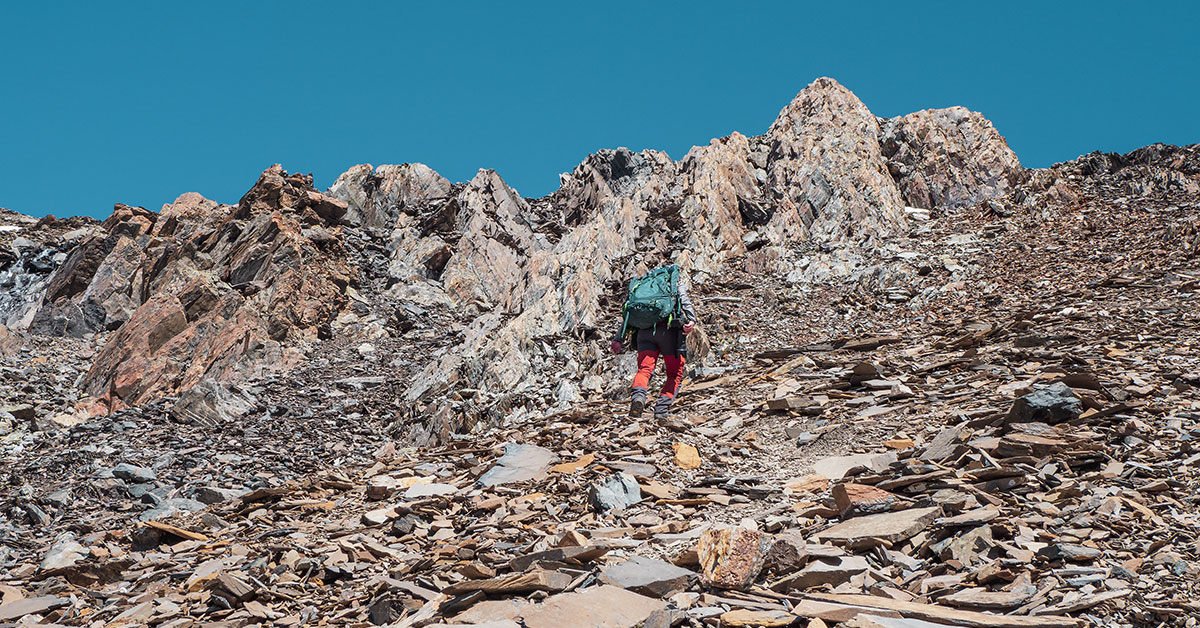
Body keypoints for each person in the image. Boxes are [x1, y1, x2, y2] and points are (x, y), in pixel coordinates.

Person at [609, 266, 697, 419]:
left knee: (644, 370)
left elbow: (628, 314)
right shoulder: (672, 282)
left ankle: (638, 399)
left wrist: (618, 339)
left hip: (644, 333)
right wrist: (691, 320)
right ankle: (662, 409)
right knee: (674, 373)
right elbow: (684, 300)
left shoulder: (642, 285)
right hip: (669, 333)